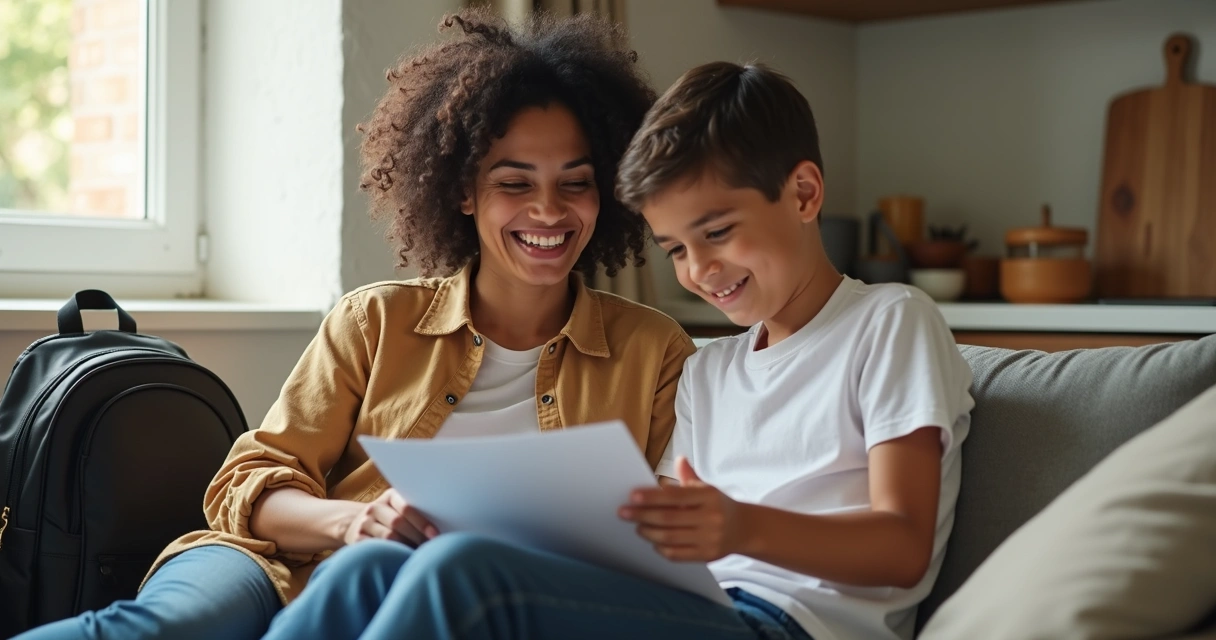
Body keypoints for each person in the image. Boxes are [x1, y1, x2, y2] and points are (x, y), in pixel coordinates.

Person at [15, 8, 693, 640]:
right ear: (462, 190)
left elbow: (652, 540)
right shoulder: (377, 318)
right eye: (514, 183)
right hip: (265, 561)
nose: (549, 211)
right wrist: (354, 520)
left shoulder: (653, 351)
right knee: (161, 629)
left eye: (576, 182)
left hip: (437, 594)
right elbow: (246, 485)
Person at [261, 60, 975, 640]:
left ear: (805, 193)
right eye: (675, 250)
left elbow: (904, 546)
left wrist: (738, 526)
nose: (699, 271)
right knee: (368, 568)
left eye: (718, 233)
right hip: (694, 610)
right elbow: (653, 531)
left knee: (465, 573)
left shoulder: (889, 322)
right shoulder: (708, 370)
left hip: (790, 626)